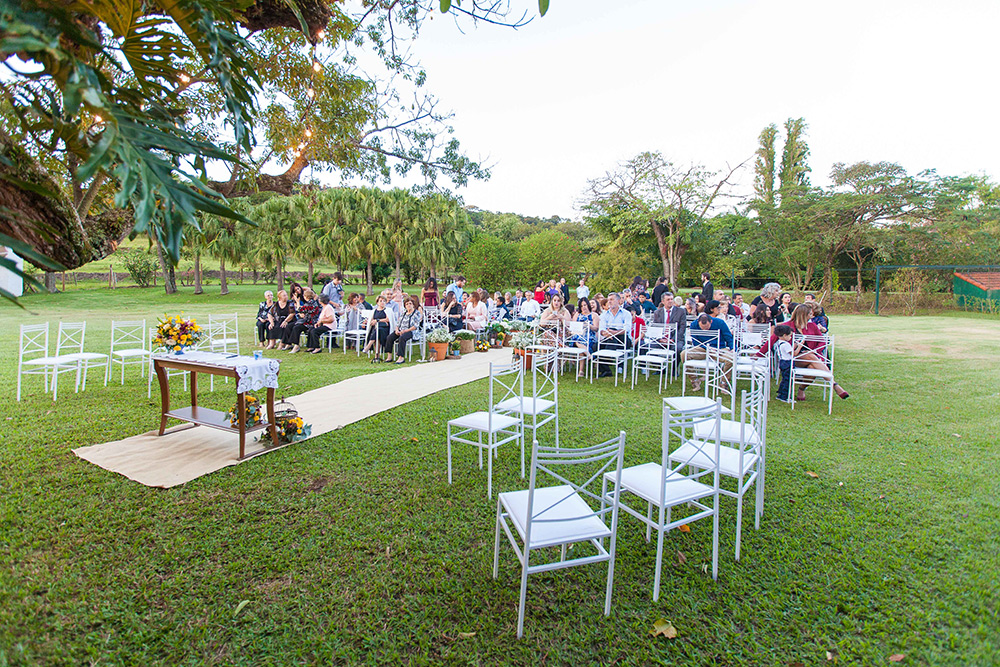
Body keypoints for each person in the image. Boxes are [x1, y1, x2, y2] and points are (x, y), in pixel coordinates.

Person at [683, 311, 734, 392]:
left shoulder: (720, 323)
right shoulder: (694, 324)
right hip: (702, 348)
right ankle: (694, 380)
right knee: (684, 354)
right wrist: (707, 348)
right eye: (702, 328)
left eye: (706, 327)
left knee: (730, 358)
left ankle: (724, 382)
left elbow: (728, 337)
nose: (704, 329)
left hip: (719, 348)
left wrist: (732, 348)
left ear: (711, 321)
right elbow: (696, 343)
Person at [596, 293, 631, 377]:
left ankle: (608, 359)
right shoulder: (605, 314)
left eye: (612, 300)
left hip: (624, 339)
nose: (609, 302)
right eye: (608, 300)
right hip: (609, 338)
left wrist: (614, 332)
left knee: (613, 336)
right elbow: (602, 328)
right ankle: (607, 370)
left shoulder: (626, 314)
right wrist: (605, 333)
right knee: (595, 346)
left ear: (618, 301)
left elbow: (627, 329)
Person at [386, 297, 423, 364]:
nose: (408, 305)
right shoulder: (403, 314)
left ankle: (401, 357)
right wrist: (397, 330)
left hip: (411, 331)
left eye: (410, 304)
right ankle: (389, 356)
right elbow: (398, 324)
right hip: (401, 330)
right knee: (390, 337)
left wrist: (405, 331)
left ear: (413, 305)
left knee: (402, 338)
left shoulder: (416, 313)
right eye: (407, 304)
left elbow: (415, 326)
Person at [286, 287, 320, 353]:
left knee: (296, 328)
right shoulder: (314, 302)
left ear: (306, 297)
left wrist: (297, 302)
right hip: (311, 321)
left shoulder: (308, 304)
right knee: (295, 326)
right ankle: (293, 344)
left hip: (310, 323)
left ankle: (296, 345)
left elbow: (299, 310)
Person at [363, 295, 393, 360]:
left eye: (384, 301)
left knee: (378, 331)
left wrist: (378, 320)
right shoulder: (374, 311)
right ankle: (377, 355)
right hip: (376, 329)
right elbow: (371, 320)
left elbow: (388, 319)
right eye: (381, 301)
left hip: (385, 329)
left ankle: (368, 346)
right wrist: (372, 322)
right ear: (377, 302)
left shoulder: (388, 310)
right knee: (377, 333)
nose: (382, 302)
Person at [774, 324, 794, 402]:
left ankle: (781, 393)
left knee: (784, 378)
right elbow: (793, 353)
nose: (790, 337)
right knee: (788, 379)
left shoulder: (778, 343)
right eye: (790, 335)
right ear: (785, 335)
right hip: (787, 362)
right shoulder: (786, 344)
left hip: (782, 361)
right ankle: (785, 396)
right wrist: (799, 346)